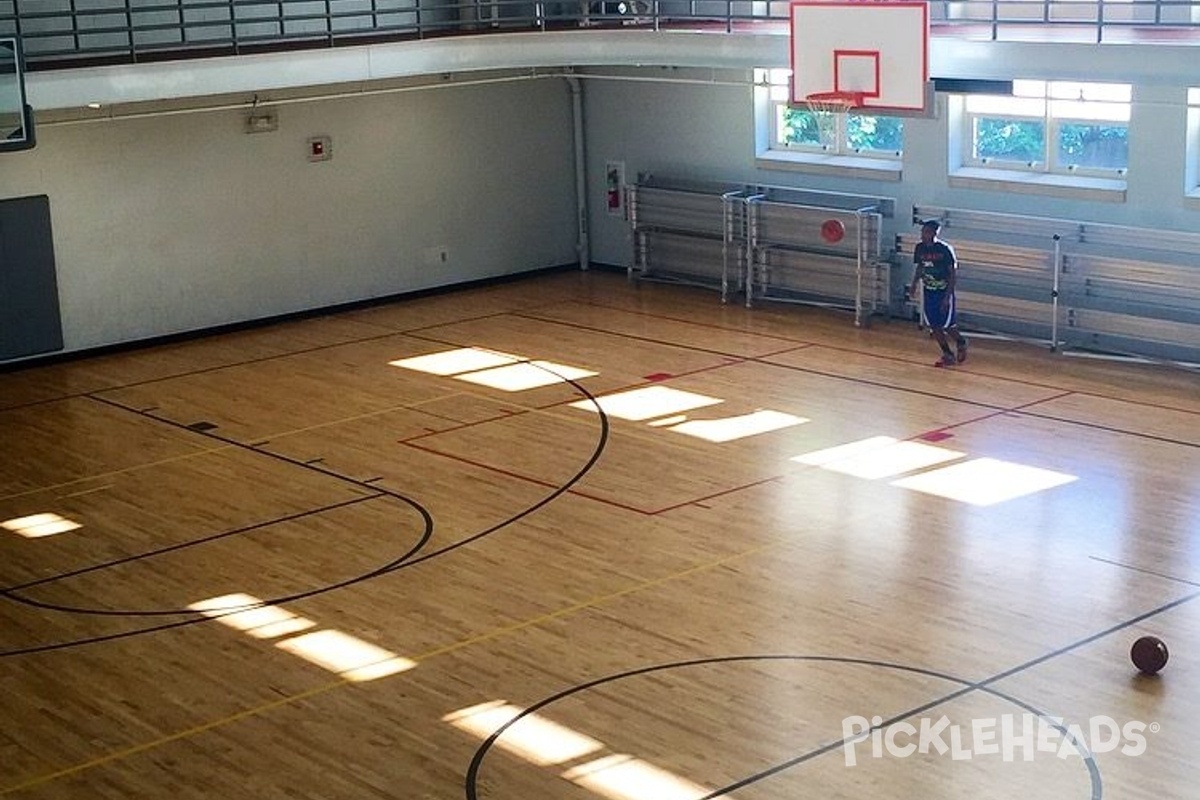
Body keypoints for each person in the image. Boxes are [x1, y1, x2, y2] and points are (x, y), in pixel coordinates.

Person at [909, 219, 968, 367]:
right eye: (922, 231)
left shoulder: (944, 250)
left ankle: (961, 342)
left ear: (935, 233)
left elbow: (952, 274)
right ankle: (947, 354)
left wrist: (947, 297)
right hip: (929, 292)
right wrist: (914, 283)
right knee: (934, 326)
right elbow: (920, 267)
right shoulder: (920, 248)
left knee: (948, 326)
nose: (923, 235)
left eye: (927, 232)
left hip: (943, 292)